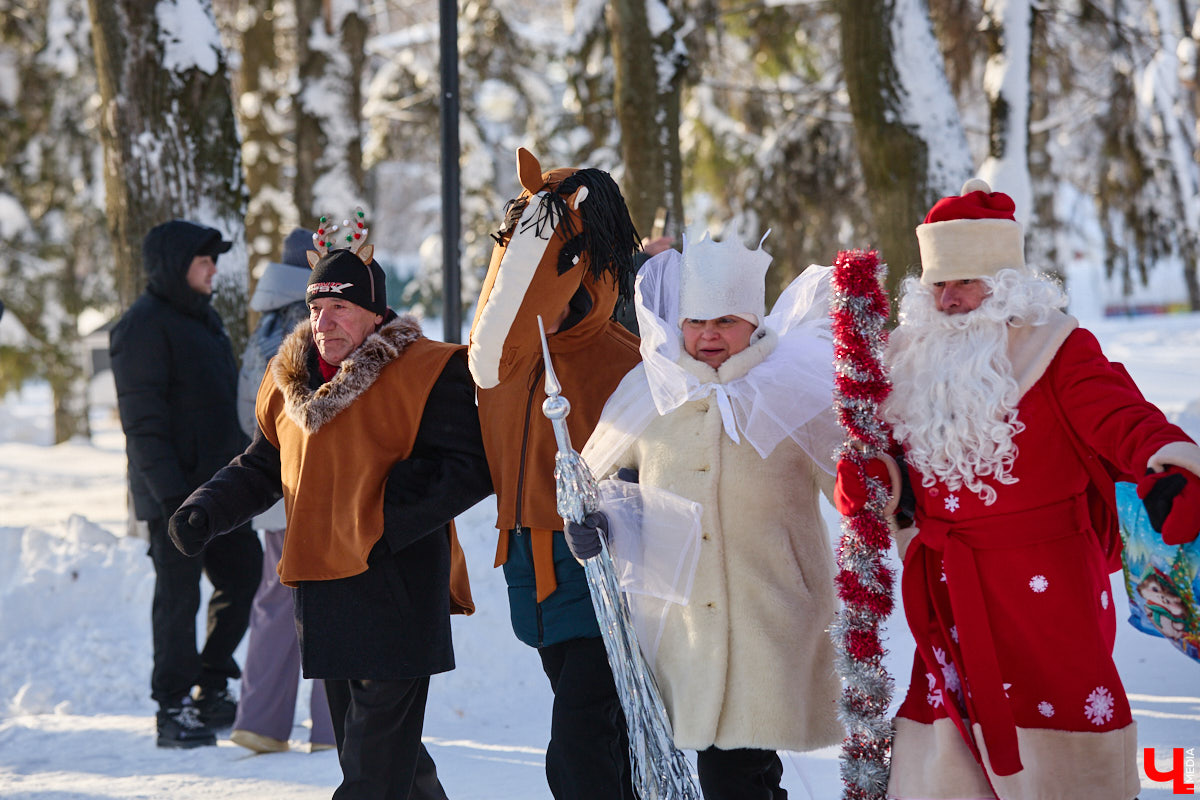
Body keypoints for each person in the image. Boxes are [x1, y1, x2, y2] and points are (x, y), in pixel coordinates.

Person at [834, 179, 1200, 799]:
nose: (949, 299)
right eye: (938, 285)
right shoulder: (906, 357)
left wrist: (1168, 467)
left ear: (1005, 284)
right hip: (948, 582)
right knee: (947, 726)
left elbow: (1121, 418)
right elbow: (899, 462)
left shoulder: (1058, 348)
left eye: (966, 283)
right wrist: (876, 481)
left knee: (1060, 718)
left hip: (1049, 585)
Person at [167, 216, 491, 799]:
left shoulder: (429, 369)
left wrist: (377, 520)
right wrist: (205, 511)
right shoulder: (289, 382)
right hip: (326, 596)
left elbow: (468, 466)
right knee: (386, 762)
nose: (324, 322)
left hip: (396, 590)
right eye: (316, 309)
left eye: (340, 308)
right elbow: (264, 465)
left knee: (370, 773)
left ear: (374, 312)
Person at [572, 224, 846, 799]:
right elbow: (593, 484)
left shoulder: (793, 390)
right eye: (696, 321)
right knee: (735, 771)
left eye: (725, 321)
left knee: (738, 771)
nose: (708, 335)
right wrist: (595, 526)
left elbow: (855, 488)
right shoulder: (653, 392)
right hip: (683, 623)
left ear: (753, 324)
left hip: (772, 612)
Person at [467, 148, 640, 800]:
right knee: (602, 735)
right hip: (530, 571)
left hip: (605, 575)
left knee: (579, 742)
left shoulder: (626, 361)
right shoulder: (505, 365)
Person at [109, 220, 263, 748]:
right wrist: (173, 496)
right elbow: (142, 423)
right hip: (174, 495)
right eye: (204, 261)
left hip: (219, 490)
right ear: (177, 265)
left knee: (244, 576)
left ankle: (211, 683)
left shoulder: (203, 319)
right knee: (177, 601)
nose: (214, 270)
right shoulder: (142, 327)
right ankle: (172, 710)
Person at [227, 227, 335, 754]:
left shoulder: (264, 325)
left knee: (275, 603)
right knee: (327, 599)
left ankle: (259, 723)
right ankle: (333, 726)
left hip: (269, 491)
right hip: (304, 489)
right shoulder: (310, 327)